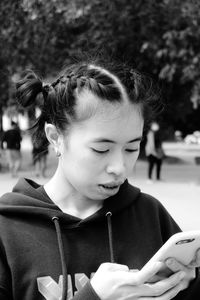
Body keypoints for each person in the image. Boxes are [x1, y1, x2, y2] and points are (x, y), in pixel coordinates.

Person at [0, 61, 200, 300]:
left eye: (131, 148)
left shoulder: (150, 215)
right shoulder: (7, 230)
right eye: (101, 149)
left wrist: (186, 286)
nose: (119, 168)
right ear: (55, 137)